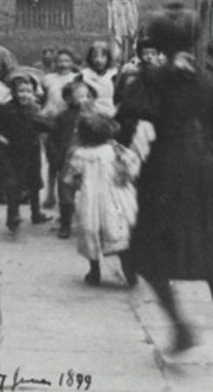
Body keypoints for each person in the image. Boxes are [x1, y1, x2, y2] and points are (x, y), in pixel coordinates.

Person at [121, 7, 213, 373]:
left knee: (148, 252)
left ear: (158, 42)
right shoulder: (211, 78)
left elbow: (128, 116)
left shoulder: (152, 77)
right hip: (209, 167)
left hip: (166, 168)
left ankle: (180, 326)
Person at [63, 110, 149, 287]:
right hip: (118, 197)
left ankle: (95, 272)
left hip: (91, 200)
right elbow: (133, 165)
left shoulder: (80, 154)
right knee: (120, 231)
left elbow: (72, 177)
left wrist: (72, 187)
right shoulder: (115, 149)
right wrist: (125, 176)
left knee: (91, 230)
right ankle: (129, 270)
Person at [0, 72, 53, 231]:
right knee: (13, 185)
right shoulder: (6, 109)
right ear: (14, 93)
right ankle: (12, 215)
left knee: (34, 182)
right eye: (21, 91)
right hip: (13, 152)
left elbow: (43, 124)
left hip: (32, 150)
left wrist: (52, 126)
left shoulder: (34, 108)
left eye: (28, 91)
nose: (25, 95)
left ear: (34, 93)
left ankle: (36, 212)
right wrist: (0, 138)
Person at [50, 79, 97, 239]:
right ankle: (65, 224)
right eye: (79, 96)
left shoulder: (94, 115)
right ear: (68, 99)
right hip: (68, 160)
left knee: (89, 191)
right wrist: (55, 157)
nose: (84, 99)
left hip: (88, 159)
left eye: (86, 95)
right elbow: (52, 138)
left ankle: (90, 223)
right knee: (65, 192)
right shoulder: (62, 117)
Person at [41, 48, 80, 208]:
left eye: (67, 61)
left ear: (72, 62)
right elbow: (44, 98)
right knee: (53, 160)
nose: (63, 64)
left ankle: (69, 197)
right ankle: (50, 195)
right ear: (55, 63)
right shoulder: (48, 78)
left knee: (70, 161)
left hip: (68, 123)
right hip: (50, 122)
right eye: (60, 61)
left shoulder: (77, 78)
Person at [79, 41, 118, 118]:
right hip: (91, 116)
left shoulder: (114, 75)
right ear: (90, 58)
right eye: (94, 56)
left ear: (108, 58)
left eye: (103, 56)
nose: (98, 60)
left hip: (111, 114)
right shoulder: (84, 75)